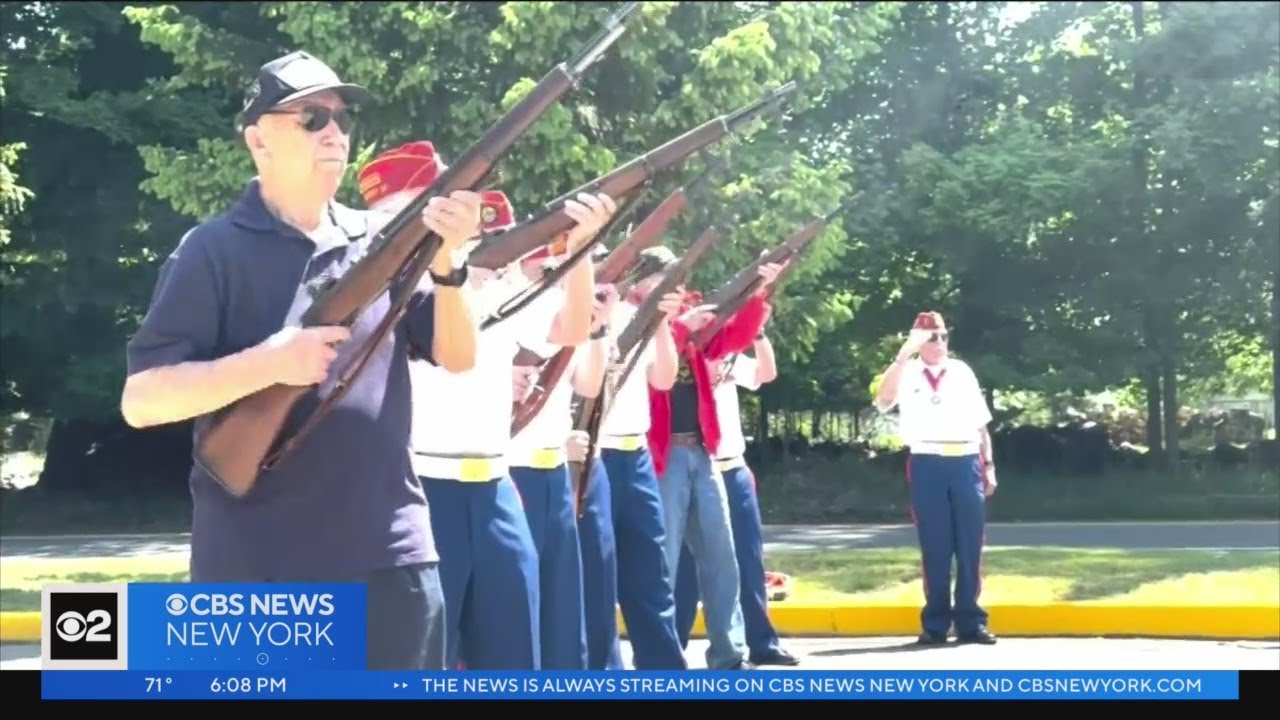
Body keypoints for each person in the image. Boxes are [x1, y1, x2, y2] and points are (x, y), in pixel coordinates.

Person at [120, 51, 481, 672]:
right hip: (259, 567)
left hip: (392, 554)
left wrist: (449, 262)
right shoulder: (211, 250)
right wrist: (266, 364)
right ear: (258, 139)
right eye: (311, 117)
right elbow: (143, 399)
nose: (335, 131)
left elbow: (457, 355)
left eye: (341, 118)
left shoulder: (381, 242)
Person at [358, 140, 618, 669]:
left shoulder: (493, 283)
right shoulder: (373, 292)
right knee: (422, 658)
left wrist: (581, 250)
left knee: (515, 654)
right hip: (418, 489)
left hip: (497, 489)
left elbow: (571, 329)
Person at [646, 260, 783, 671]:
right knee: (664, 564)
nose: (677, 287)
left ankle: (729, 654)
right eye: (663, 279)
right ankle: (662, 658)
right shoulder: (642, 326)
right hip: (663, 455)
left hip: (701, 451)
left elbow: (732, 340)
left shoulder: (687, 328)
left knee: (723, 558)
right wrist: (682, 324)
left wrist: (758, 293)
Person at [506, 245, 613, 671]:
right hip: (512, 468)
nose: (550, 270)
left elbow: (588, 385)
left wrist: (599, 331)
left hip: (552, 469)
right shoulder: (505, 305)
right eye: (543, 262)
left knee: (563, 604)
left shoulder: (563, 311)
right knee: (518, 602)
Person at [673, 327, 800, 666]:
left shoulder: (727, 355)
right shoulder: (682, 361)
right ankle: (672, 650)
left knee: (746, 558)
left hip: (731, 467)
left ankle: (760, 642)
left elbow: (766, 374)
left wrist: (758, 335)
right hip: (695, 467)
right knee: (684, 566)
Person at [873, 311, 998, 645]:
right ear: (917, 341)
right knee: (936, 546)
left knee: (971, 544)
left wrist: (989, 466)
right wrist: (903, 354)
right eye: (932, 337)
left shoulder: (961, 372)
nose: (940, 343)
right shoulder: (907, 371)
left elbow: (981, 424)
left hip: (966, 461)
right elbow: (883, 400)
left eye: (943, 336)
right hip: (927, 461)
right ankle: (936, 623)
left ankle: (971, 621)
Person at [593, 247, 687, 670]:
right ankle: (604, 671)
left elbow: (664, 379)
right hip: (597, 455)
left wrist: (660, 321)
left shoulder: (641, 319)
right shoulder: (594, 314)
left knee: (650, 573)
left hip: (636, 453)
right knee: (599, 572)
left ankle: (664, 669)